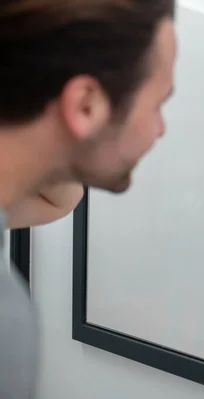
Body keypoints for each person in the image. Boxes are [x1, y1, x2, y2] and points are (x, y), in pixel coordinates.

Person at [0, 1, 177, 397]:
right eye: (159, 104)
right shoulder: (4, 317)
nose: (160, 130)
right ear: (85, 103)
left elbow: (58, 201)